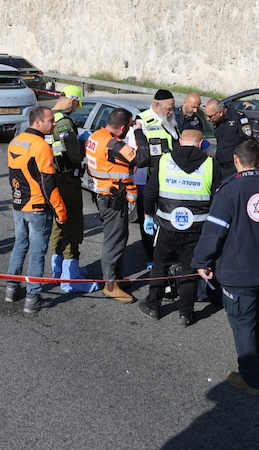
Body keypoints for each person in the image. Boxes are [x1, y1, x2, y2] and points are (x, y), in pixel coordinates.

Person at [192, 138, 259, 396]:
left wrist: (201, 261)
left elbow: (213, 232)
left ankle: (251, 379)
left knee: (243, 325)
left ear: (236, 160)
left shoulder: (229, 190)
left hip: (239, 274)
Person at [140, 129, 222, 326]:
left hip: (167, 225)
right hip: (197, 227)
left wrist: (148, 215)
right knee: (190, 269)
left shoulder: (164, 160)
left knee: (160, 264)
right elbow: (218, 198)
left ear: (179, 141)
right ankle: (185, 313)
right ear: (201, 143)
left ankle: (153, 306)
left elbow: (150, 193)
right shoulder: (210, 163)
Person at [5, 107, 68, 313]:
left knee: (19, 245)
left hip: (18, 203)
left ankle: (11, 289)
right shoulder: (41, 146)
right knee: (37, 253)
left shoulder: (16, 141)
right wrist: (61, 211)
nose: (54, 124)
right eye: (51, 121)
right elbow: (48, 184)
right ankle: (33, 298)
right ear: (38, 122)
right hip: (37, 207)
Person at [85, 107, 151, 303]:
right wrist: (138, 131)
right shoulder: (113, 144)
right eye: (129, 126)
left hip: (106, 195)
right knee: (114, 242)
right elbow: (143, 158)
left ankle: (118, 278)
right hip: (113, 198)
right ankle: (110, 285)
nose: (129, 129)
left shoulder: (97, 135)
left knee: (119, 238)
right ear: (122, 127)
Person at [47, 85, 99, 293]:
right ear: (71, 100)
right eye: (77, 104)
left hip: (52, 179)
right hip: (67, 181)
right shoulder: (65, 123)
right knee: (72, 225)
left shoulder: (47, 117)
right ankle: (71, 277)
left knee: (58, 224)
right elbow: (75, 155)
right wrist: (83, 142)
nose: (77, 108)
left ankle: (58, 270)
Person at [135, 89, 180, 264]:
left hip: (169, 180)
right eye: (169, 108)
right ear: (157, 105)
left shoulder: (171, 122)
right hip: (149, 180)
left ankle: (166, 254)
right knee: (149, 221)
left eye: (173, 107)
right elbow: (139, 154)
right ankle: (151, 257)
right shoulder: (142, 121)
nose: (171, 111)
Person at [204, 98, 254, 179]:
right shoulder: (217, 120)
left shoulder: (238, 119)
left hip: (233, 167)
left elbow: (247, 142)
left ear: (220, 112)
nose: (208, 119)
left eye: (210, 116)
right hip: (219, 164)